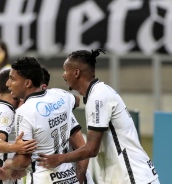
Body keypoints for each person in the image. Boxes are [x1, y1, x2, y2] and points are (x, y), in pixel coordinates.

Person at [37, 49, 160, 184]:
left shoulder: (98, 97)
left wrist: (59, 158)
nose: (63, 75)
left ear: (76, 72)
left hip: (133, 177)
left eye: (65, 70)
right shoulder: (97, 94)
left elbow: (91, 148)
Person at [0, 57, 88, 184]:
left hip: (44, 179)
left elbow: (23, 161)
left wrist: (8, 163)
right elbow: (76, 100)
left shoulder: (24, 112)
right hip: (69, 178)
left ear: (27, 83)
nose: (8, 84)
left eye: (12, 79)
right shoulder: (61, 95)